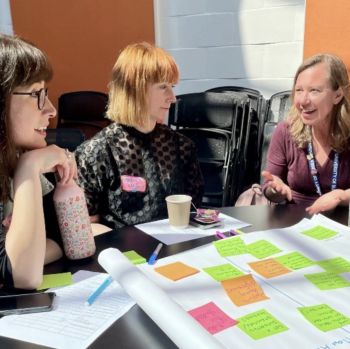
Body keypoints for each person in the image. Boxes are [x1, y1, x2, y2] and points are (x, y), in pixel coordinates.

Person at [75, 42, 204, 229]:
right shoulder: (97, 152)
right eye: (163, 87)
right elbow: (87, 225)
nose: (173, 97)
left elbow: (194, 209)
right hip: (123, 253)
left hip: (176, 250)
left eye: (172, 86)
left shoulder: (182, 146)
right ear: (135, 89)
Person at [0, 34, 77, 289]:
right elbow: (21, 274)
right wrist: (30, 168)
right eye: (36, 94)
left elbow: (65, 238)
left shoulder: (16, 155)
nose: (52, 110)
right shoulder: (26, 162)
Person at [262, 53, 350, 214]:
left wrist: (342, 196)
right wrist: (275, 190)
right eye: (299, 90)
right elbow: (269, 187)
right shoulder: (285, 132)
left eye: (314, 91)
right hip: (295, 225)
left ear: (337, 95)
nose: (302, 101)